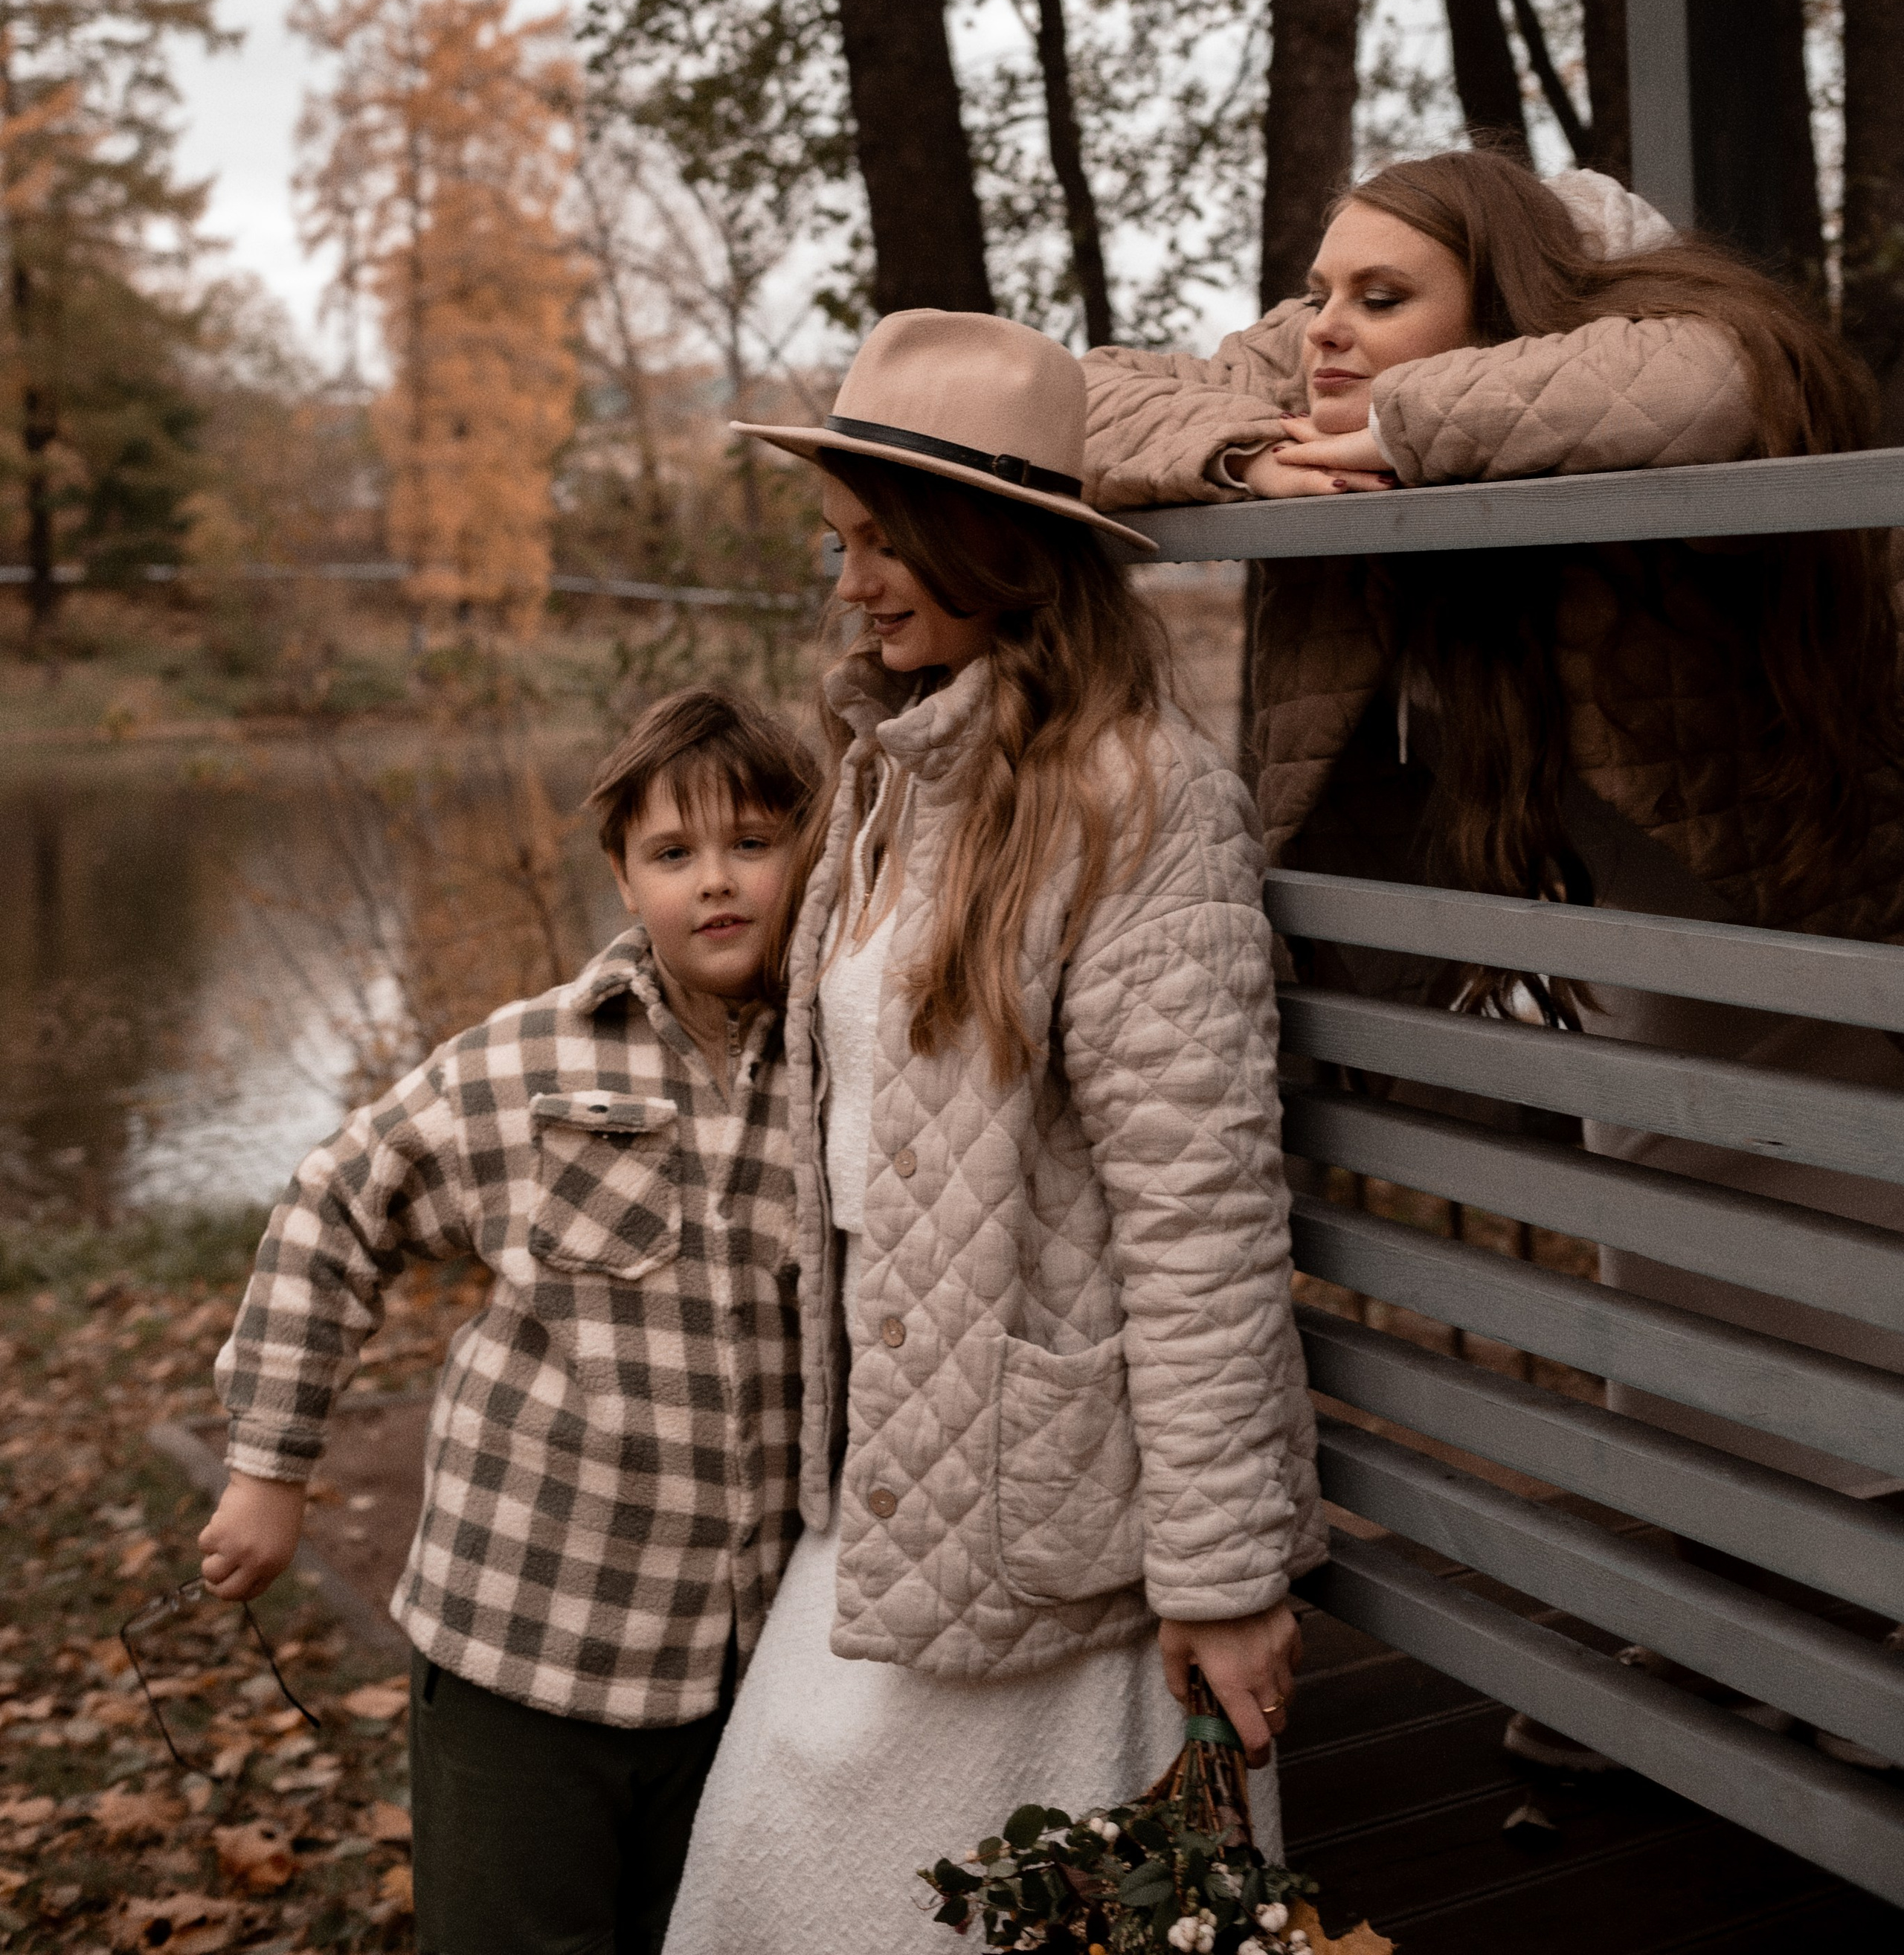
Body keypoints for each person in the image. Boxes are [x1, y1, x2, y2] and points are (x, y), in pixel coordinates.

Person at [1084, 145, 1904, 1772]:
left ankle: (1845, 1638)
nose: (1325, 326)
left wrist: (1393, 429)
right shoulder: (1323, 352)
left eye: (1378, 298)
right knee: (1665, 1246)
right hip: (1626, 929)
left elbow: (1708, 380)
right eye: (1321, 290)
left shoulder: (1642, 316)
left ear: (1502, 293)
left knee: (1833, 1251)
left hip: (1782, 897)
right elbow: (1087, 393)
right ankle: (1716, 1629)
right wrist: (1249, 445)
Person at [662, 309, 1325, 1955]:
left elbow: (1201, 1216)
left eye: (885, 541)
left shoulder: (1140, 803)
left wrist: (1224, 1576)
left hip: (1053, 1516)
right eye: (841, 541)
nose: (850, 582)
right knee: (774, 1878)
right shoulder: (899, 766)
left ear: (998, 544)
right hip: (884, 1450)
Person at [200, 687, 817, 1955]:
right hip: (523, 1647)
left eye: (754, 844)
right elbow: (334, 1209)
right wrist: (271, 1466)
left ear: (811, 852)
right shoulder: (532, 1064)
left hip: (740, 1670)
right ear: (620, 875)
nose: (717, 882)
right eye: (673, 854)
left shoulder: (841, 1070)